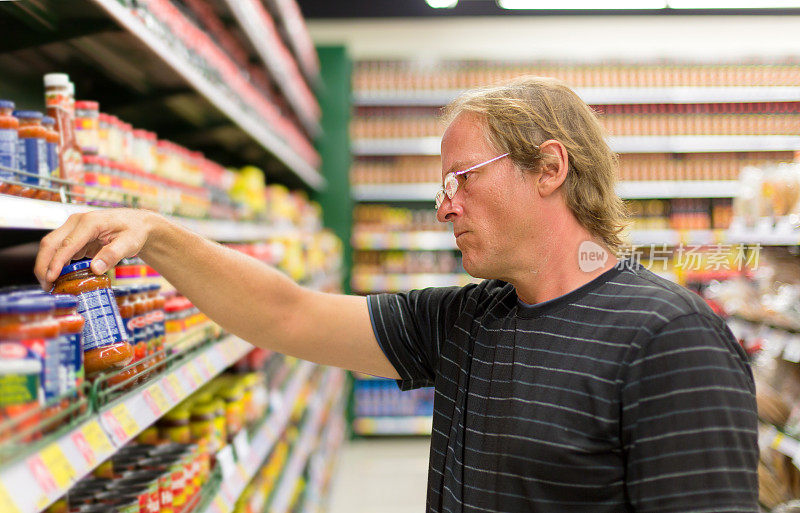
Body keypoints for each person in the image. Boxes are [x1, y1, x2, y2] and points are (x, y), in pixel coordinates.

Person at [34, 76, 758, 512]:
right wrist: (156, 235)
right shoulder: (471, 317)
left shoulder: (671, 340)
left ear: (548, 167)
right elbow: (288, 313)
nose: (445, 207)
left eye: (461, 179)